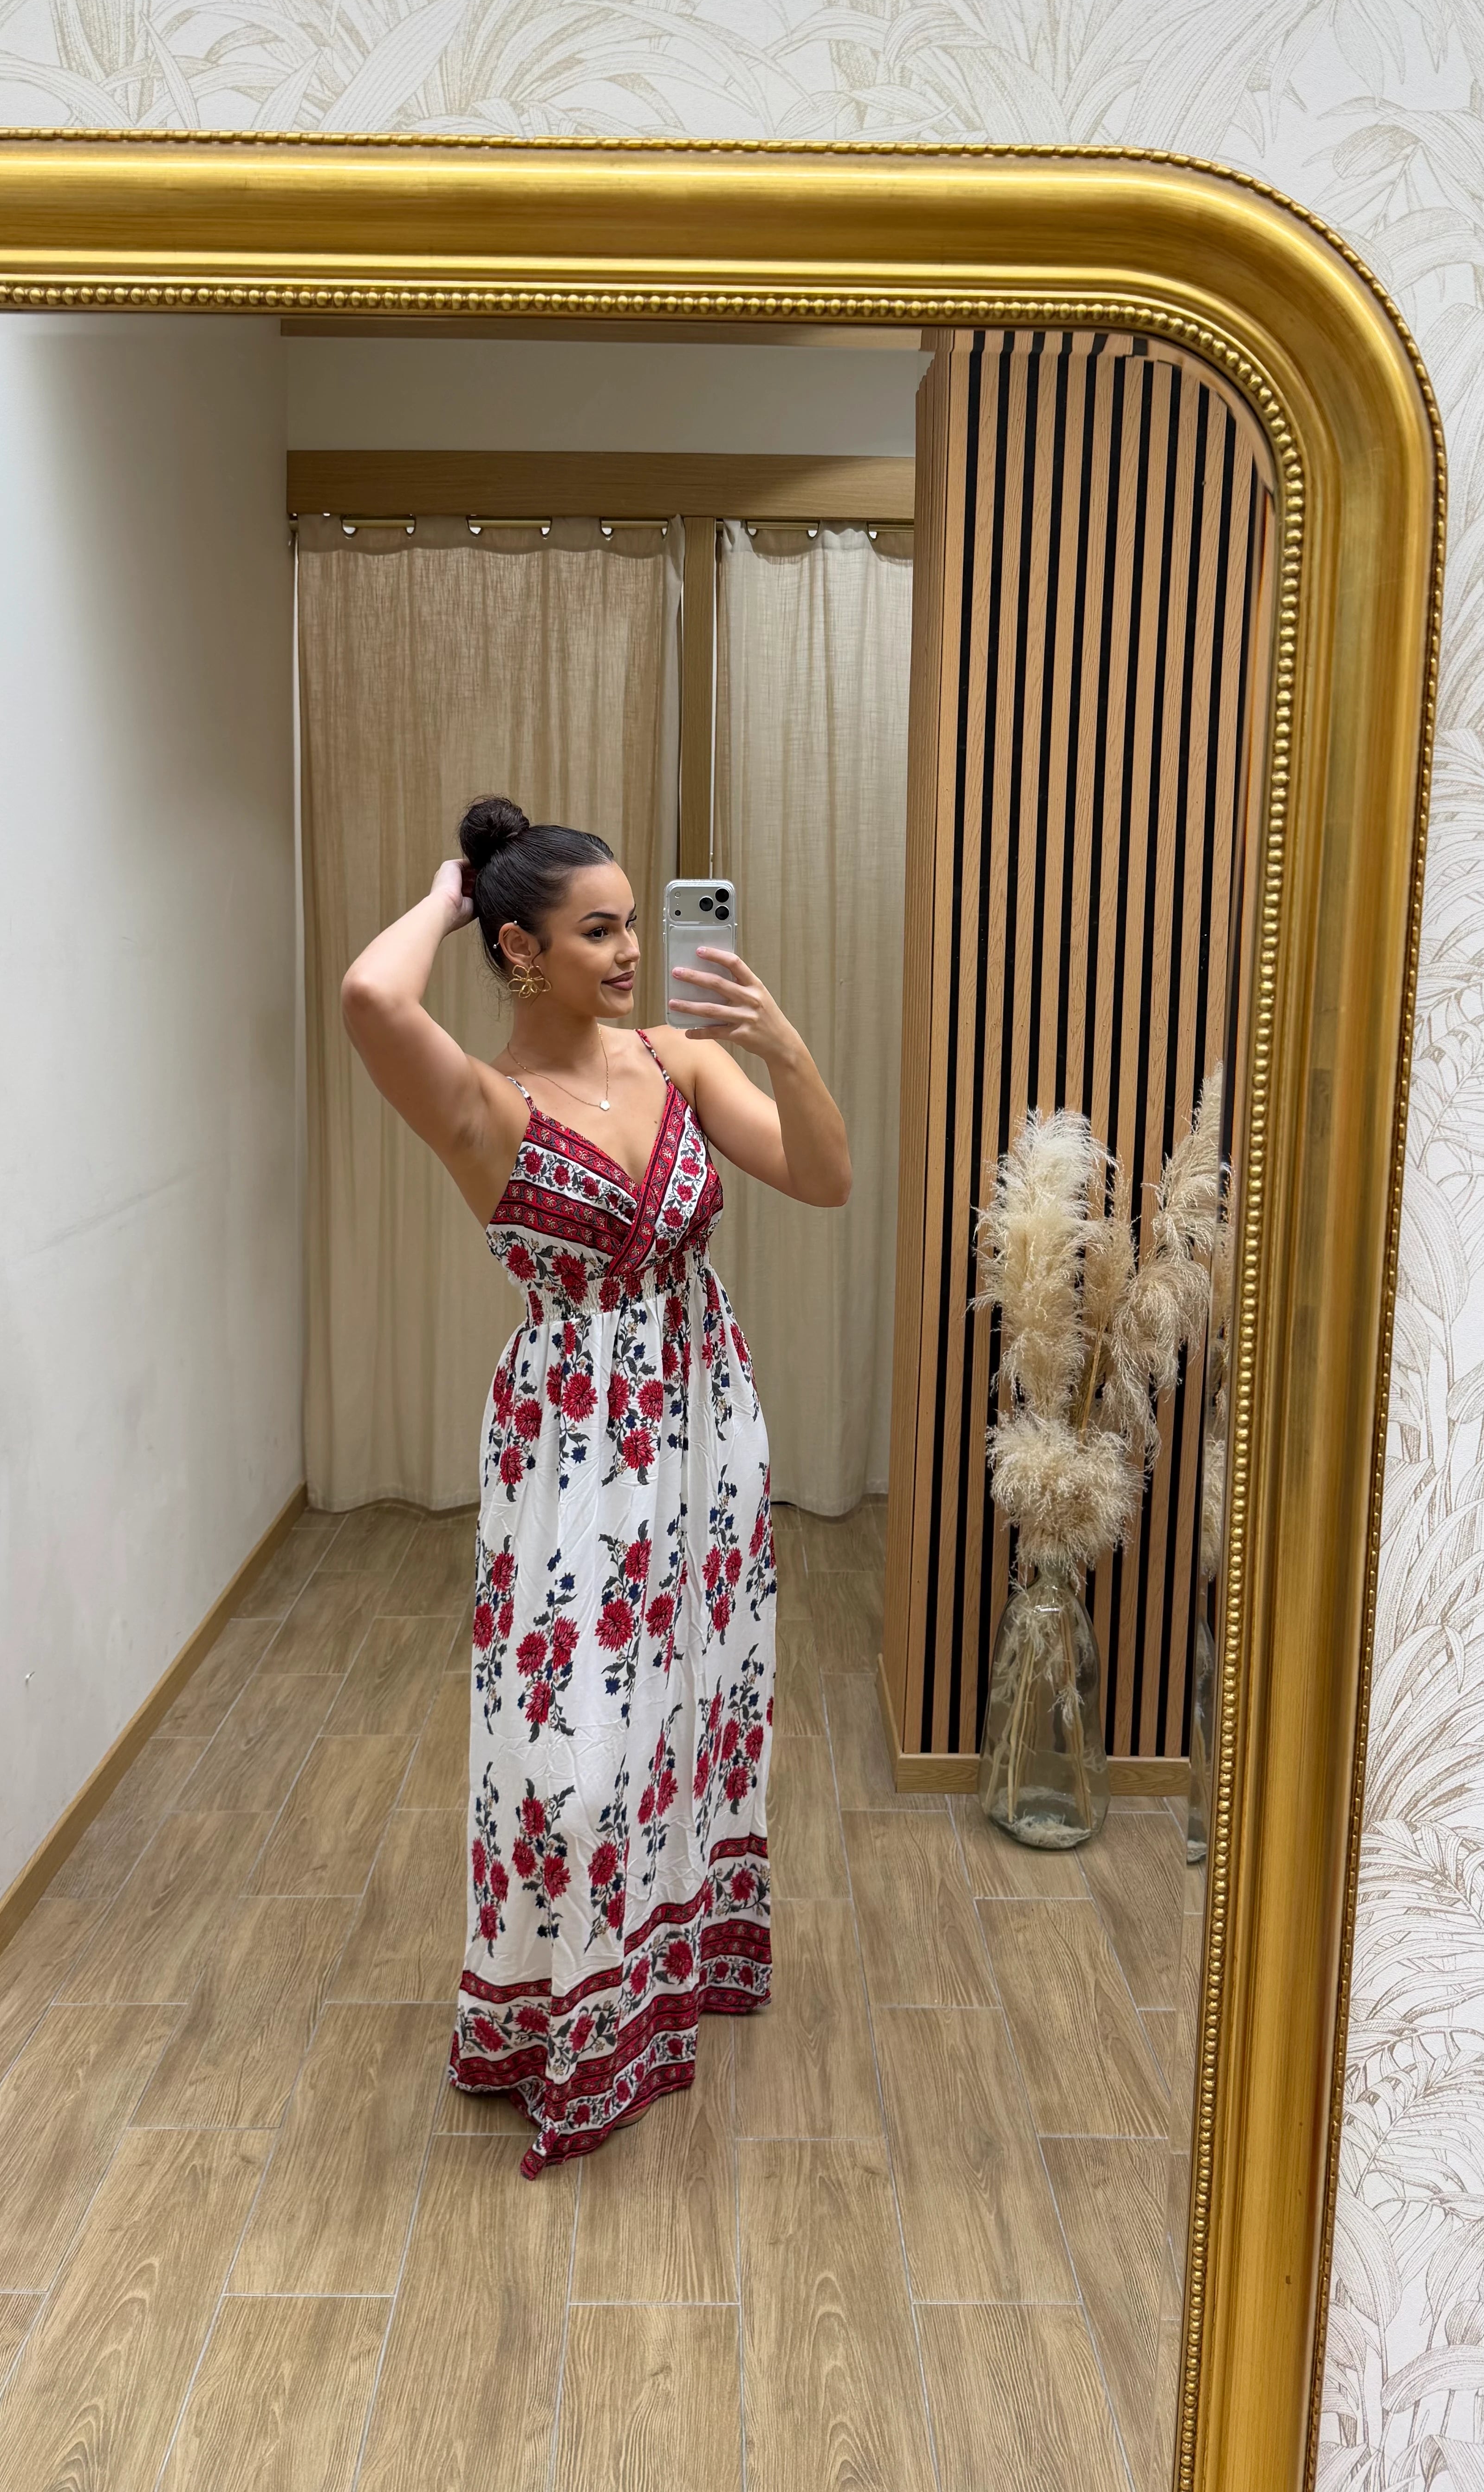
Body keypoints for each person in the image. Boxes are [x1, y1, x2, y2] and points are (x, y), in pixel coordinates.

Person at [340, 796, 851, 2177]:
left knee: (696, 1698)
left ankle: (679, 1959)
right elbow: (371, 995)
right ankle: (558, 2012)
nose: (631, 951)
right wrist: (448, 890)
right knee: (569, 1750)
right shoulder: (481, 1104)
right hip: (571, 1453)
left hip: (703, 1428)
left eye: (633, 923)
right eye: (598, 930)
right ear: (521, 949)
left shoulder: (677, 1058)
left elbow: (824, 1175)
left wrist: (781, 1044)